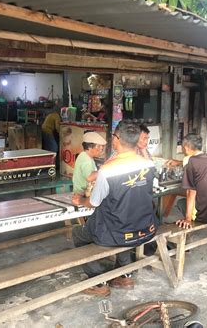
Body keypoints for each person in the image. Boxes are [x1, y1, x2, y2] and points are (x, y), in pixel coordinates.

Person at [71, 120, 157, 296]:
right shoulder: (148, 164)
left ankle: (98, 281)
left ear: (116, 139)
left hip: (116, 232)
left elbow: (94, 202)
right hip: (146, 229)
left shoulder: (108, 169)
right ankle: (124, 275)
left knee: (78, 233)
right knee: (122, 224)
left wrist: (80, 201)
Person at [72, 132, 106, 196]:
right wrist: (105, 169)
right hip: (82, 195)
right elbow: (89, 177)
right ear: (90, 147)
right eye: (98, 146)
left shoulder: (84, 155)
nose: (101, 149)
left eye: (102, 147)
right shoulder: (86, 159)